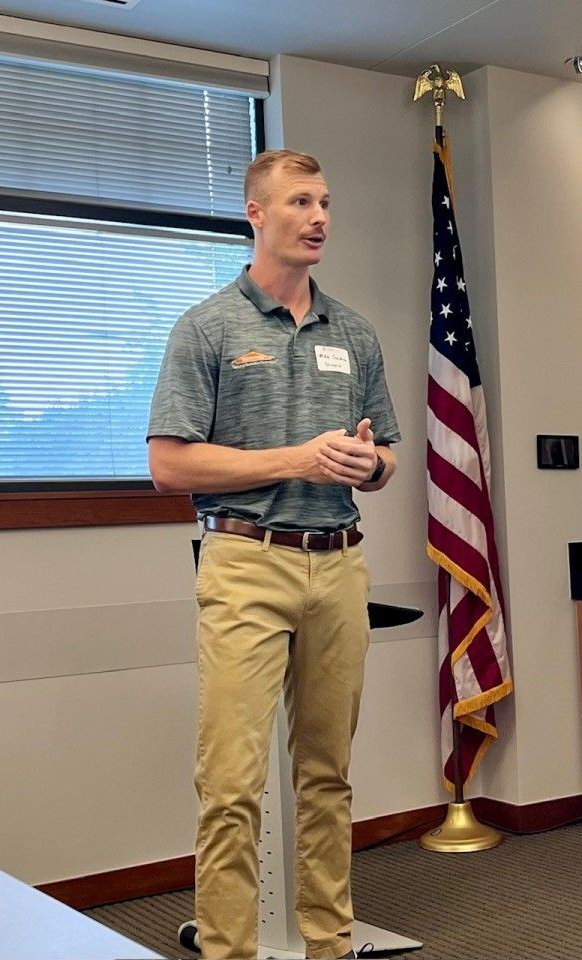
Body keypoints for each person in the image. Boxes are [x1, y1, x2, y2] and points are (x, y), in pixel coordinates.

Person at [147, 149, 401, 960]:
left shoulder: (354, 332)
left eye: (325, 201)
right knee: (230, 787)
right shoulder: (208, 327)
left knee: (326, 778)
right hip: (245, 563)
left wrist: (371, 465)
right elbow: (170, 465)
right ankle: (229, 951)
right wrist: (294, 458)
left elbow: (386, 455)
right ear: (257, 214)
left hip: (338, 563)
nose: (319, 216)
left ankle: (331, 946)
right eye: (300, 201)